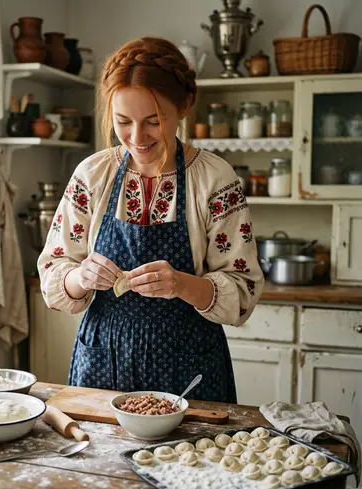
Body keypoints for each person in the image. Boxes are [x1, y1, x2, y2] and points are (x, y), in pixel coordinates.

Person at [37, 37, 264, 403]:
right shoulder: (92, 175)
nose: (137, 138)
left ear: (184, 106)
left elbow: (243, 292)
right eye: (122, 122)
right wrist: (81, 276)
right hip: (103, 364)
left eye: (153, 122)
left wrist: (182, 285)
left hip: (189, 367)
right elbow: (53, 271)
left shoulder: (214, 179)